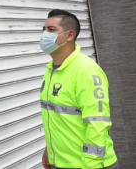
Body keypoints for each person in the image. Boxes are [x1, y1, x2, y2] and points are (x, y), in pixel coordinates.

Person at [39, 9, 119, 169]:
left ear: (69, 35)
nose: (44, 35)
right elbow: (57, 118)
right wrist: (51, 149)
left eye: (51, 30)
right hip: (61, 162)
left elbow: (97, 124)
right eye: (44, 29)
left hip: (89, 165)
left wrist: (91, 165)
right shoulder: (51, 70)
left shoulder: (86, 70)